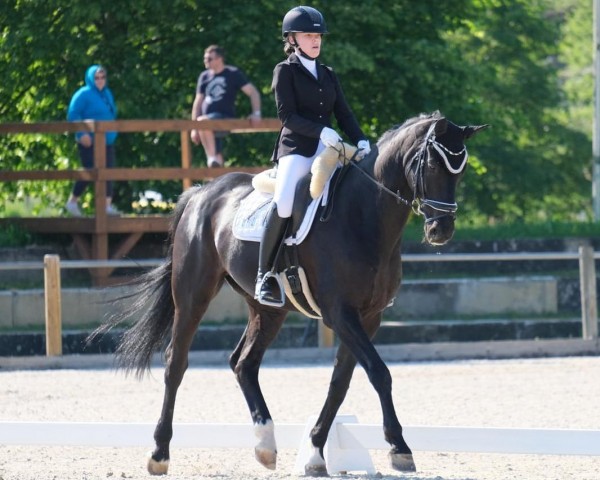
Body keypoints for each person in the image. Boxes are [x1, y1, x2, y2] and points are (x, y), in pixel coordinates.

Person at [254, 5, 371, 306]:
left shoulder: (328, 74)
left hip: (328, 147)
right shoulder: (285, 71)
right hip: (297, 148)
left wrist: (361, 139)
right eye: (308, 35)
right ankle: (264, 274)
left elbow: (343, 113)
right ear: (292, 39)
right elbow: (286, 116)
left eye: (318, 35)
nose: (316, 40)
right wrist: (319, 131)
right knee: (283, 203)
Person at [190, 45, 262, 168]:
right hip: (207, 125)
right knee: (218, 157)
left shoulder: (232, 73)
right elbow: (198, 102)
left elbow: (253, 92)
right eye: (205, 58)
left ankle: (211, 158)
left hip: (224, 117)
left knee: (203, 121)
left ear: (219, 59)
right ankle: (216, 170)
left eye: (209, 59)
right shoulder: (204, 76)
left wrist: (256, 113)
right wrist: (194, 127)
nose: (206, 61)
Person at [65, 64, 120, 217]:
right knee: (90, 170)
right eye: (96, 77)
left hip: (107, 140)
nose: (100, 80)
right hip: (89, 140)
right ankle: (73, 201)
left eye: (103, 77)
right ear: (91, 78)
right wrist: (81, 133)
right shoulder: (83, 94)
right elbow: (73, 114)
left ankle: (106, 207)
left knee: (108, 171)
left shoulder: (107, 93)